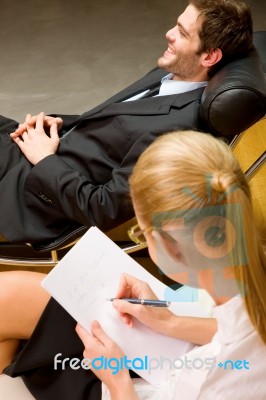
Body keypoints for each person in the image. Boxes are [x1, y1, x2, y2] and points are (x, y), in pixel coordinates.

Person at [1, 129, 266, 399]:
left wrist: (116, 380)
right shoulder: (251, 300)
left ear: (168, 247)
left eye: (140, 232)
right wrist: (169, 322)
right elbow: (241, 332)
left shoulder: (206, 386)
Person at [0, 0, 254, 243]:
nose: (169, 34)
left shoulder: (175, 133)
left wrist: (44, 159)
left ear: (209, 57)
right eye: (176, 25)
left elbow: (102, 208)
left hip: (28, 192)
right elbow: (110, 129)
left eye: (182, 33)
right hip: (37, 150)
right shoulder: (174, 73)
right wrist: (58, 125)